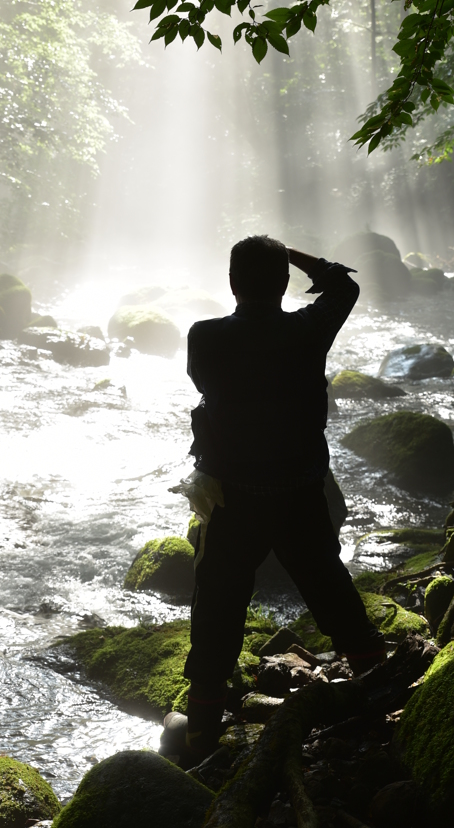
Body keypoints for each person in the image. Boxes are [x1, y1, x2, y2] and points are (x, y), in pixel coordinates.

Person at [160, 235, 385, 765]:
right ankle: (378, 688)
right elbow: (344, 285)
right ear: (285, 284)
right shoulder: (308, 330)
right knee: (329, 586)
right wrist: (297, 258)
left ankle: (200, 735)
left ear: (233, 282)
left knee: (216, 605)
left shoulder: (204, 337)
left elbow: (202, 381)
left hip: (234, 497)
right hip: (300, 491)